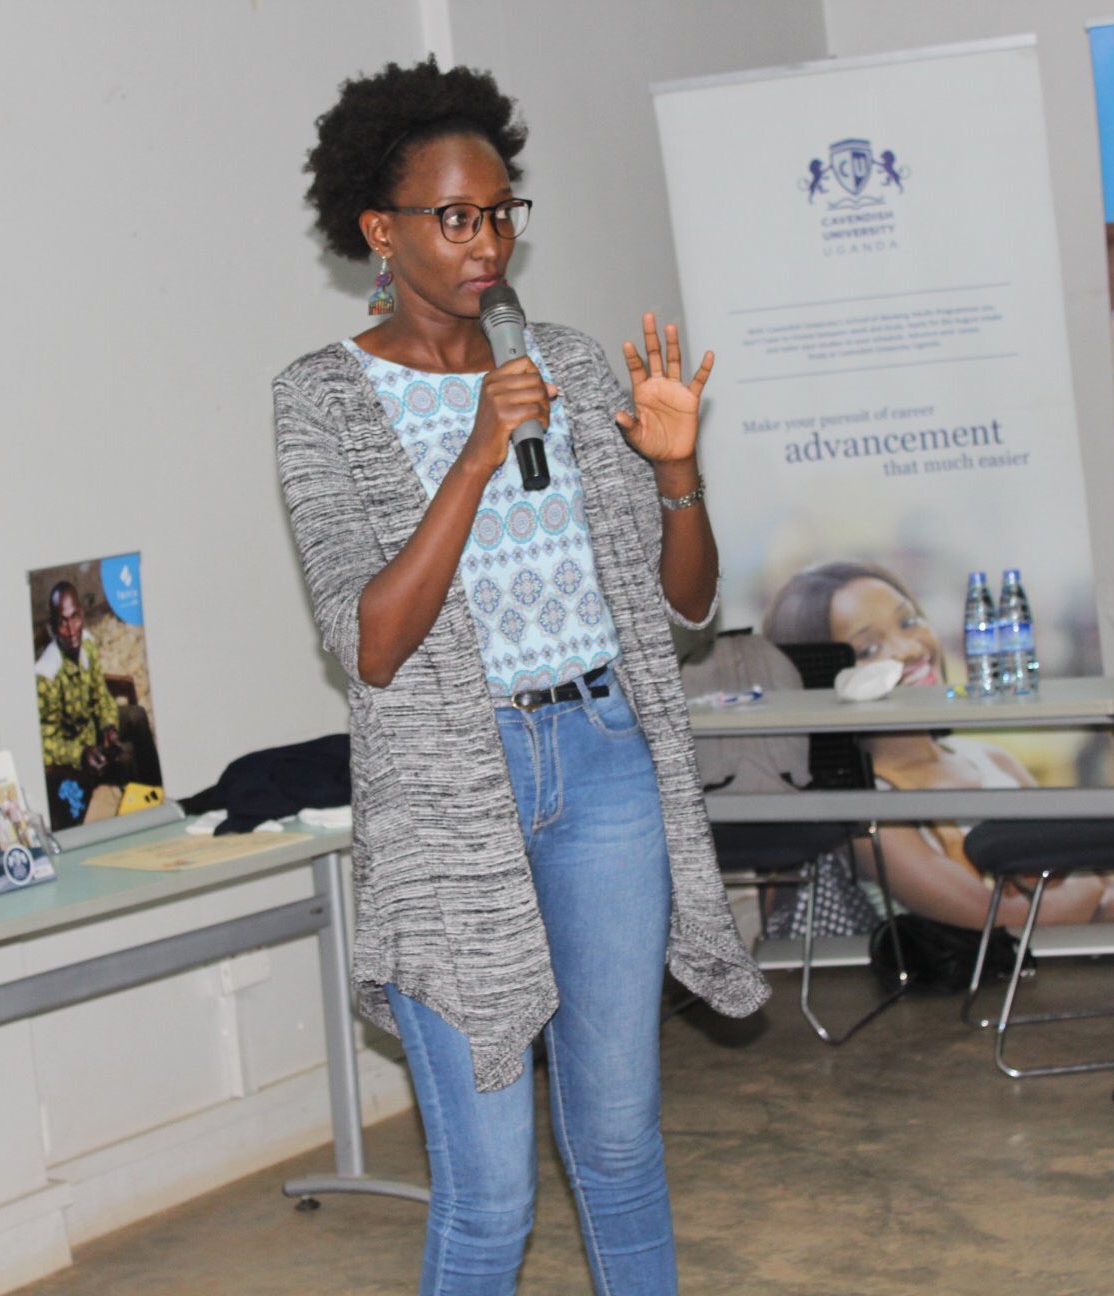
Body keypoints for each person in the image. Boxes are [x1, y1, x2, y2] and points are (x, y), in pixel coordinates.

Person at [274, 58, 766, 1295]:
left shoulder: (577, 366)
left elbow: (687, 606)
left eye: (501, 212)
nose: (486, 241)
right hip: (449, 796)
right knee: (488, 1196)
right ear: (379, 230)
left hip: (603, 767)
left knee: (617, 1145)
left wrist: (675, 471)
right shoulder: (320, 403)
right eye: (454, 217)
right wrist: (479, 452)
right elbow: (371, 640)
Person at [763, 561, 1114, 932]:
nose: (908, 649)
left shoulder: (991, 760)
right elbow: (997, 921)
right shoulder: (862, 805)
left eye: (908, 622)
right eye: (870, 648)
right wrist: (1090, 887)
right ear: (821, 677)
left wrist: (1086, 892)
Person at [34, 579, 161, 827]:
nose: (71, 630)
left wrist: (109, 727)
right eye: (63, 621)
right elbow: (44, 742)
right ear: (53, 626)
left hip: (93, 731)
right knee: (126, 759)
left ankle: (157, 792)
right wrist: (80, 754)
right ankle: (137, 814)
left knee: (135, 715)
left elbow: (101, 695)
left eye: (75, 618)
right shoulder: (46, 676)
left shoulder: (87, 646)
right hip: (76, 752)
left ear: (82, 615)